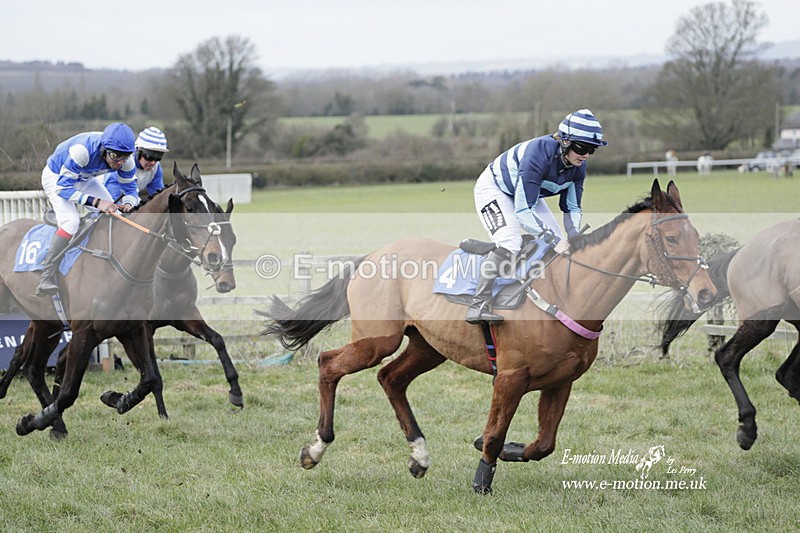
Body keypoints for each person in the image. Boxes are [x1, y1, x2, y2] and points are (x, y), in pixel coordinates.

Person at [467, 108, 607, 324]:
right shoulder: (538, 154)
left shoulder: (578, 166)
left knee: (562, 243)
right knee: (511, 241)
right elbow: (523, 211)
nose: (586, 154)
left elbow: (572, 208)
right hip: (495, 189)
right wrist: (553, 239)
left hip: (525, 192)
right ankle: (478, 305)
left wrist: (573, 235)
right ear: (565, 142)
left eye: (592, 150)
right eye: (583, 147)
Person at [35, 122, 141, 296]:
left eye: (125, 157)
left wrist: (129, 203)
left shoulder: (125, 161)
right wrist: (98, 203)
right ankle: (46, 276)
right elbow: (63, 189)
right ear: (104, 149)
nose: (119, 163)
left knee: (117, 214)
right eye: (115, 156)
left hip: (85, 178)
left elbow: (132, 191)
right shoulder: (82, 152)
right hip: (57, 177)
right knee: (71, 222)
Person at [104, 126, 169, 201]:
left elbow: (158, 197)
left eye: (158, 158)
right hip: (99, 198)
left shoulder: (156, 168)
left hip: (127, 201)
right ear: (138, 151)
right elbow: (111, 192)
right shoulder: (123, 162)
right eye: (149, 157)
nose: (153, 163)